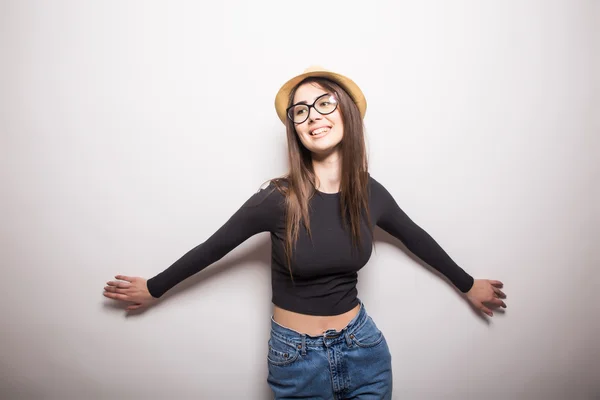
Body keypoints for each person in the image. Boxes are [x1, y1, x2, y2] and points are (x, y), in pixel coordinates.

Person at [103, 66, 507, 399]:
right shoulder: (278, 199)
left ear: (346, 112)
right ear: (295, 129)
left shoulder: (370, 193)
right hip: (296, 360)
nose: (313, 115)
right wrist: (153, 288)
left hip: (363, 349)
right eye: (300, 111)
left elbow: (416, 237)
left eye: (324, 103)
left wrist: (469, 285)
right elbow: (213, 248)